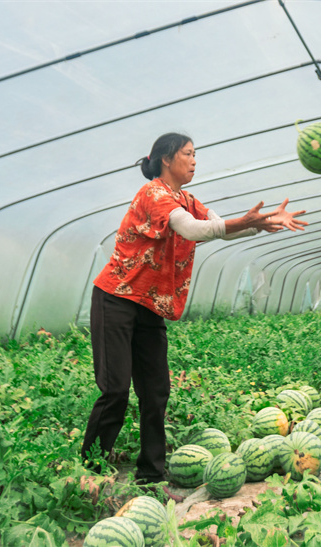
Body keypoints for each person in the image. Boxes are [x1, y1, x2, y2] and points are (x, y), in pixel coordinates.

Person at [82, 132, 307, 484]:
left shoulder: (186, 198)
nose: (194, 160)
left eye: (195, 154)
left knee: (155, 392)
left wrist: (258, 225)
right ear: (166, 159)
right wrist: (247, 222)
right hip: (117, 299)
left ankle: (151, 475)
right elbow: (194, 230)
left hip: (149, 306)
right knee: (115, 390)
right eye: (188, 154)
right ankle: (88, 471)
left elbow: (216, 227)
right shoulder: (154, 194)